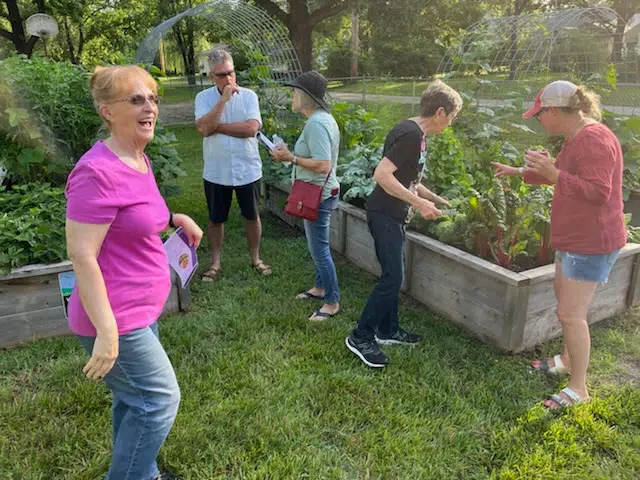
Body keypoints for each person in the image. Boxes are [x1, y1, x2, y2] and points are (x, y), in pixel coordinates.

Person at [65, 65, 203, 480]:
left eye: (154, 99)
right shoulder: (95, 172)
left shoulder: (137, 157)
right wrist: (107, 333)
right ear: (107, 111)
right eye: (137, 99)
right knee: (159, 400)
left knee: (133, 402)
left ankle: (145, 472)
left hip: (141, 309)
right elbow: (82, 255)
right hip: (116, 317)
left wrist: (176, 217)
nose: (151, 108)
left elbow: (141, 216)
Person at [492, 80, 625, 410]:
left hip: (591, 241)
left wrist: (553, 173)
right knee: (563, 303)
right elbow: (562, 173)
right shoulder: (575, 136)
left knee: (571, 313)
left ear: (553, 111)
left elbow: (598, 192)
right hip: (573, 238)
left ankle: (578, 388)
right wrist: (519, 170)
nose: (539, 122)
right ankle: (566, 359)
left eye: (540, 115)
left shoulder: (594, 139)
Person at [346, 80, 462, 368]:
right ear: (439, 112)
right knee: (392, 278)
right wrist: (419, 204)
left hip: (393, 214)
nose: (451, 122)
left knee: (393, 273)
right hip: (384, 212)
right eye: (452, 116)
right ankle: (361, 336)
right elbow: (383, 175)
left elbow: (407, 179)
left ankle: (388, 330)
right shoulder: (411, 135)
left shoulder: (413, 131)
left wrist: (435, 198)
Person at [270, 71, 341, 321]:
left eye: (295, 91)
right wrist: (290, 154)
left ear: (307, 96)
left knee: (319, 249)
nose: (292, 95)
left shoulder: (317, 123)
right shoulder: (320, 120)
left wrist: (291, 158)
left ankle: (331, 302)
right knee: (319, 246)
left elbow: (322, 164)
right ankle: (320, 288)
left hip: (318, 194)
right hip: (321, 191)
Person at [195, 49, 270, 281]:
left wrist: (215, 127)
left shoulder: (249, 96)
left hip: (247, 167)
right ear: (212, 77)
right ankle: (215, 263)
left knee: (252, 215)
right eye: (221, 75)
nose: (228, 79)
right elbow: (203, 129)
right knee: (216, 218)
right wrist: (223, 100)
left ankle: (256, 258)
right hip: (216, 171)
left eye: (231, 73)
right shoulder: (203, 98)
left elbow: (251, 129)